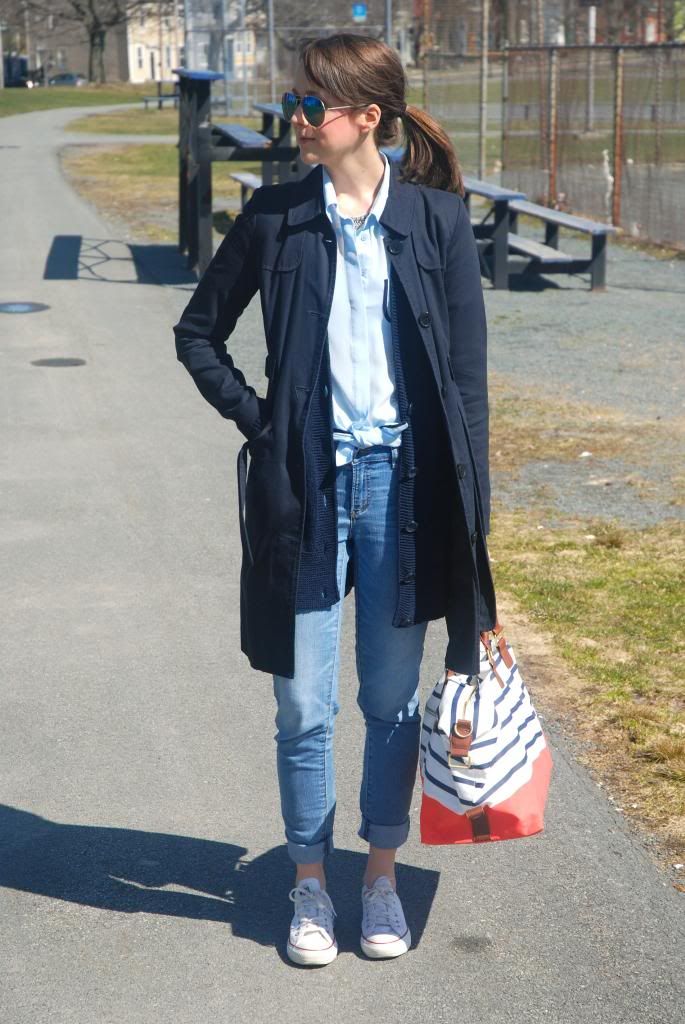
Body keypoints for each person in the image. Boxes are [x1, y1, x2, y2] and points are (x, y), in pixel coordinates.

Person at [173, 32, 497, 967]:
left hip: (404, 490)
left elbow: (466, 386)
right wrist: (264, 422)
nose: (297, 118)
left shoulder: (436, 221)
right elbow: (197, 335)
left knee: (389, 703)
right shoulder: (275, 217)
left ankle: (380, 879)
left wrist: (473, 518)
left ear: (366, 116)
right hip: (305, 490)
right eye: (296, 101)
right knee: (302, 707)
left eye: (312, 104)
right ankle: (310, 884)